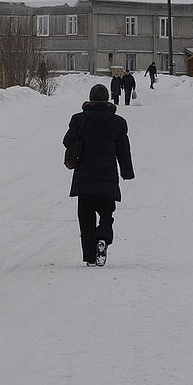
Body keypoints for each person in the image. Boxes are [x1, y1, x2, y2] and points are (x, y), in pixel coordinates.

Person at [63, 83, 135, 266]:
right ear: (107, 99)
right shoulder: (118, 122)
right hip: (107, 177)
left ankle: (89, 257)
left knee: (86, 218)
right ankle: (102, 237)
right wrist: (126, 171)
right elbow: (123, 150)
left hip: (84, 178)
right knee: (106, 214)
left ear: (91, 98)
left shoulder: (78, 120)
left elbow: (67, 141)